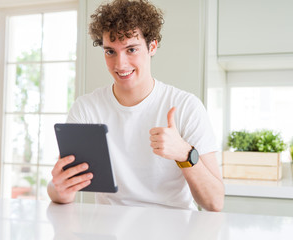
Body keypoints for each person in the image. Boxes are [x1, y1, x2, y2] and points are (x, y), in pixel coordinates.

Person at [48, 0, 224, 211]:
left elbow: (215, 202)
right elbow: (58, 190)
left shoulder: (186, 106)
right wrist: (60, 190)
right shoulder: (86, 108)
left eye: (131, 49)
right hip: (110, 228)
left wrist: (185, 154)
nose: (120, 64)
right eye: (110, 51)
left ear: (152, 46)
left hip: (174, 227)